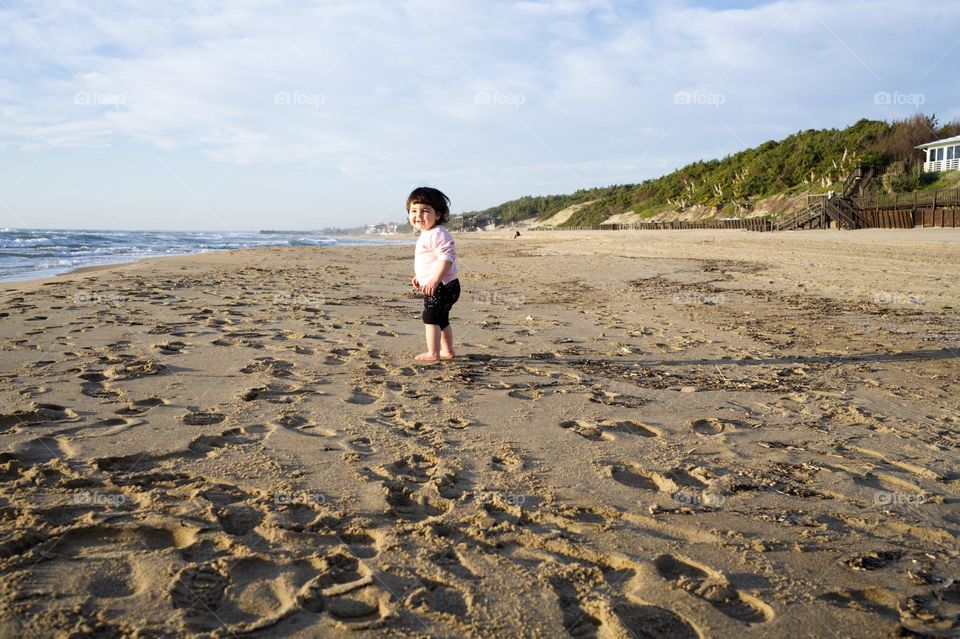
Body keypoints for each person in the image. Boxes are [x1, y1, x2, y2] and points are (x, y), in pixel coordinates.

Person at [407, 187, 460, 362]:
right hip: (446, 284)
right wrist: (421, 278)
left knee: (430, 317)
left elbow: (447, 258)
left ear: (437, 214)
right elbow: (430, 261)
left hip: (442, 285)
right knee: (441, 318)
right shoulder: (427, 234)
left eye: (425, 211)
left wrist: (435, 279)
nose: (418, 215)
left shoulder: (437, 233)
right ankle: (448, 350)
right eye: (414, 211)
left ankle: (433, 353)